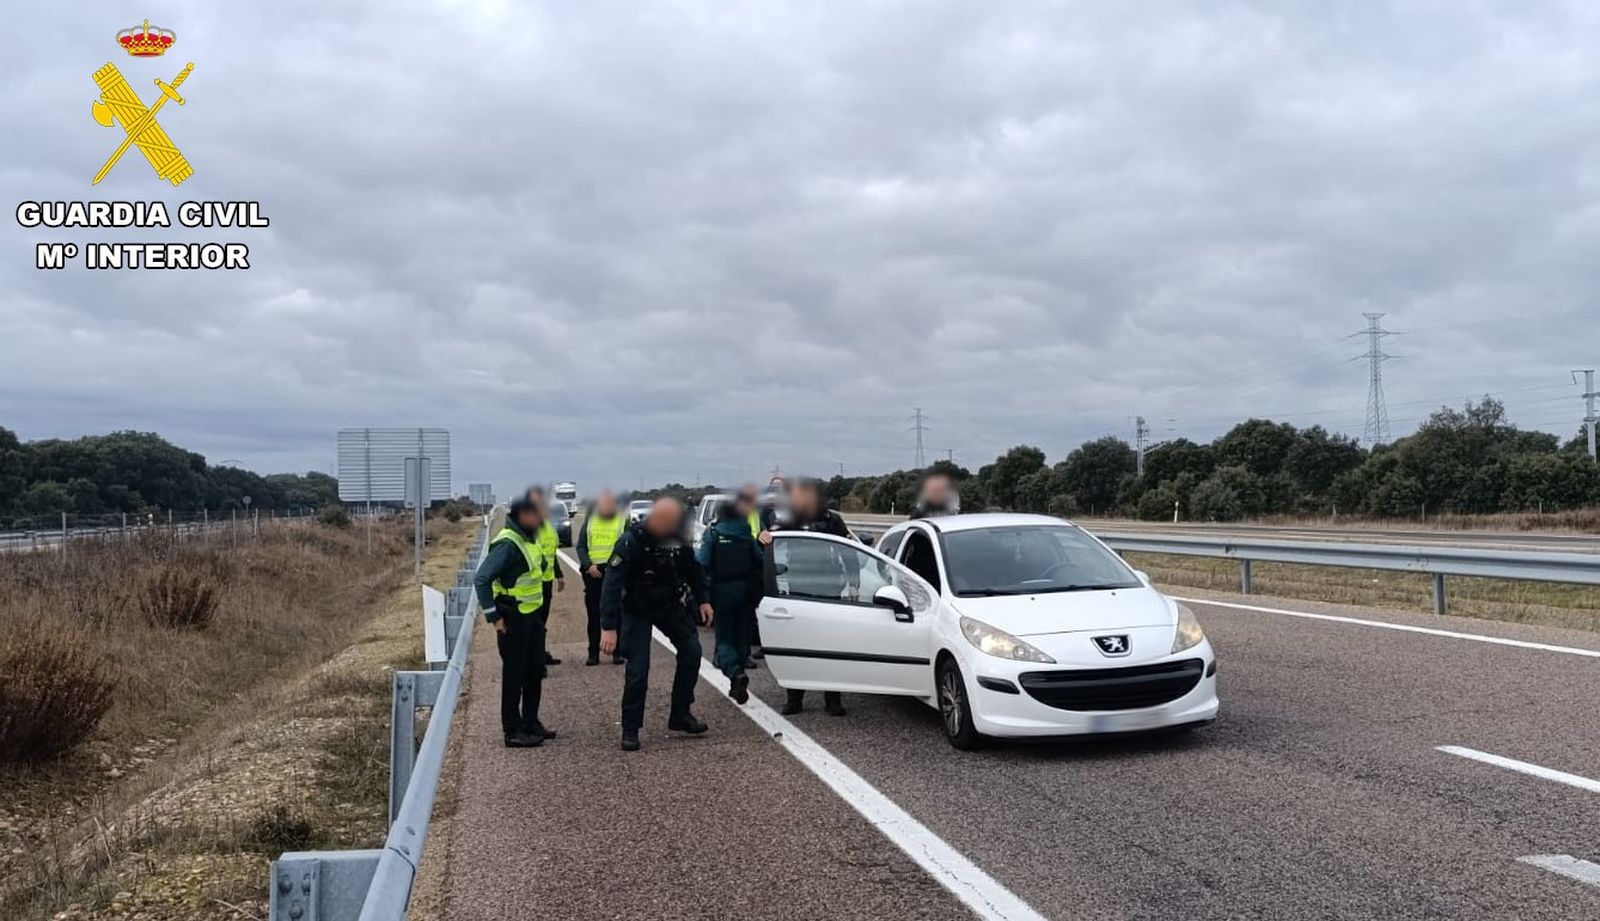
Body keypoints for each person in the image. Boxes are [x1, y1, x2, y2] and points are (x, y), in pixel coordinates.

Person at [599, 498, 713, 752]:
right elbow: (612, 584)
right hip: (637, 609)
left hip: (669, 606)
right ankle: (630, 728)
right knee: (638, 670)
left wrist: (704, 600)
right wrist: (609, 627)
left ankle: (680, 714)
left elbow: (693, 569)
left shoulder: (676, 539)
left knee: (692, 651)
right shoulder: (631, 542)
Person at [759, 478, 852, 717]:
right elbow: (768, 542)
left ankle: (833, 699)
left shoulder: (832, 520)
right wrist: (763, 538)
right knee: (796, 643)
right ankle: (794, 698)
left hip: (829, 588)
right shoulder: (789, 520)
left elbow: (849, 551)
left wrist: (854, 583)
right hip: (798, 589)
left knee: (832, 645)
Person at [472, 490, 556, 747]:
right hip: (513, 617)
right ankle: (512, 730)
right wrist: (493, 617)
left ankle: (531, 722)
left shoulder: (528, 539)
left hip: (532, 617)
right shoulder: (508, 543)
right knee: (514, 676)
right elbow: (482, 578)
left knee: (534, 672)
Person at [697, 488, 763, 704]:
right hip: (745, 593)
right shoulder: (746, 534)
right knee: (741, 635)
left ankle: (735, 673)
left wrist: (701, 595)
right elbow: (760, 561)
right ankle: (741, 665)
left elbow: (702, 564)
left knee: (724, 638)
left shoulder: (713, 534)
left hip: (721, 592)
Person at [575, 489, 627, 666]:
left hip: (616, 573)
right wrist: (588, 565)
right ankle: (593, 653)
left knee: (617, 613)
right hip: (594, 574)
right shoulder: (590, 519)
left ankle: (617, 652)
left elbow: (628, 545)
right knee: (594, 615)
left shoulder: (622, 519)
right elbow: (581, 546)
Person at [529, 486, 567, 665]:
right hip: (533, 583)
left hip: (546, 581)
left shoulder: (548, 526)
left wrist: (559, 575)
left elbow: (551, 553)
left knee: (541, 623)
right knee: (535, 624)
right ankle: (536, 660)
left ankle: (539, 654)